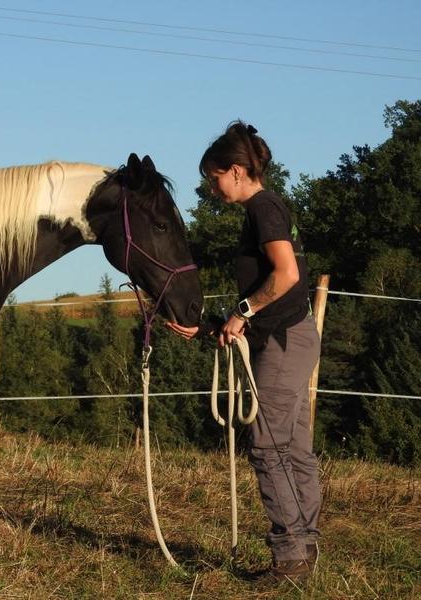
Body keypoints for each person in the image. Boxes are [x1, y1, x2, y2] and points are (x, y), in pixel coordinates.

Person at [167, 121, 322, 582]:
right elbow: (273, 287)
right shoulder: (269, 208)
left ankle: (290, 555)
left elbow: (286, 275)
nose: (211, 188)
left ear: (236, 171)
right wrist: (213, 327)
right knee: (293, 447)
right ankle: (304, 547)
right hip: (289, 337)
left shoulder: (263, 209)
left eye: (213, 178)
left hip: (283, 341)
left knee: (268, 447)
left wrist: (244, 310)